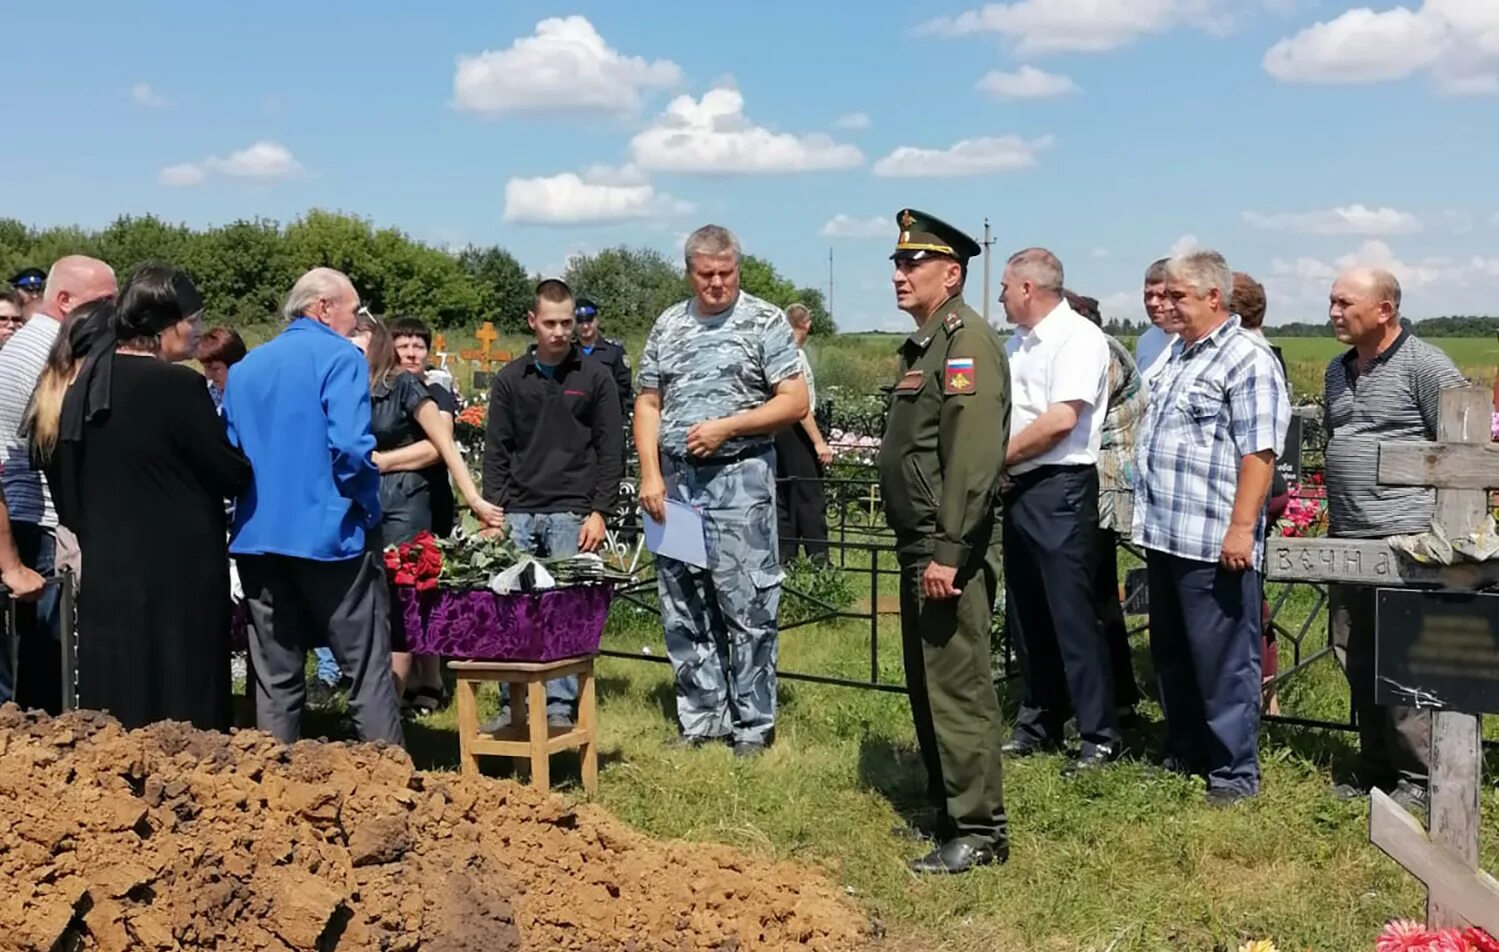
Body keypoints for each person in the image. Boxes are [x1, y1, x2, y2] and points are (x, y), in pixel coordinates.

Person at [45, 269, 251, 731]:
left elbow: (62, 468)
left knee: (120, 690)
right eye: (191, 320)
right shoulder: (176, 386)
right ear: (163, 325)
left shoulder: (86, 383)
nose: (197, 331)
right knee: (180, 688)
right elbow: (226, 469)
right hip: (178, 568)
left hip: (109, 562)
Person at [634, 224, 807, 757]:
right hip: (677, 484)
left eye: (726, 273)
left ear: (738, 267)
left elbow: (795, 401)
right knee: (684, 603)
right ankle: (701, 718)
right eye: (706, 274)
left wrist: (728, 427)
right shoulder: (669, 323)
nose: (717, 284)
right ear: (689, 272)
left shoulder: (764, 321)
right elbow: (647, 402)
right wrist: (650, 474)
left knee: (747, 603)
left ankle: (752, 726)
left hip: (740, 478)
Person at [877, 209, 1010, 875]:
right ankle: (949, 808)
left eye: (912, 263)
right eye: (896, 263)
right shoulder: (930, 344)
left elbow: (972, 456)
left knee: (955, 686)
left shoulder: (965, 343)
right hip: (923, 541)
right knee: (929, 683)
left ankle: (979, 831)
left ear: (950, 273)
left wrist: (950, 550)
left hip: (943, 543)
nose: (899, 273)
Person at [1133, 250, 1289, 806]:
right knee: (1173, 653)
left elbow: (1259, 453)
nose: (1165, 303)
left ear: (1214, 299)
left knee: (1224, 660)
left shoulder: (1246, 358)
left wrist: (1242, 528)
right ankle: (1185, 751)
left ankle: (1232, 772)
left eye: (1178, 296)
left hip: (1212, 538)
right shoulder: (1179, 354)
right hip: (1166, 534)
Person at [223, 267, 404, 746]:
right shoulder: (340, 358)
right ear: (324, 307)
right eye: (353, 309)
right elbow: (348, 447)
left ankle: (273, 791)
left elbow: (232, 451)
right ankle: (391, 787)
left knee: (275, 677)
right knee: (366, 671)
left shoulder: (244, 370)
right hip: (331, 536)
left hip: (259, 537)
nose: (356, 320)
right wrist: (366, 506)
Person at [1322, 267, 1465, 812]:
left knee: (1404, 658)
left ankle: (1420, 779)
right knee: (1354, 653)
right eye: (1332, 302)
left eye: (1345, 303)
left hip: (1406, 542)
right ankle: (1375, 762)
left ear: (1385, 309)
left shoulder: (1424, 364)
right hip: (1348, 536)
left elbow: (1460, 439)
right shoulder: (1338, 371)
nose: (1334, 312)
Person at [997, 250, 1120, 776]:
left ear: (1028, 288)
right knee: (1027, 612)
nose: (1000, 295)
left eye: (1004, 286)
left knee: (1072, 613)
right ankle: (1040, 715)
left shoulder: (1078, 338)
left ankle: (1099, 732)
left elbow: (1060, 420)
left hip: (1059, 486)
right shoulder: (1016, 343)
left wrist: (991, 461)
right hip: (1020, 485)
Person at [482, 279, 623, 729]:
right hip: (518, 512)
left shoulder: (595, 376)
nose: (561, 332)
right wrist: (492, 515)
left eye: (567, 323)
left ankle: (560, 709)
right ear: (532, 322)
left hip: (572, 512)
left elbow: (611, 448)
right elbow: (496, 450)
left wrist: (601, 511)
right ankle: (514, 704)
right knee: (512, 608)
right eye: (551, 323)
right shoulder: (510, 379)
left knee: (563, 608)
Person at [349, 313, 504, 714]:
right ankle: (377, 698)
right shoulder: (347, 388)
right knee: (372, 602)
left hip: (407, 501)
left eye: (357, 340)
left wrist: (474, 500)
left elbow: (444, 445)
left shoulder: (406, 386)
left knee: (402, 598)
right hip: (364, 504)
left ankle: (393, 702)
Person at [0, 255, 116, 713]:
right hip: (38, 520)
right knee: (45, 670)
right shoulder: (54, 353)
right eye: (104, 302)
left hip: (24, 515)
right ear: (65, 301)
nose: (114, 312)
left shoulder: (28, 344)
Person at [1066, 289, 1144, 722]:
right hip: (1093, 481)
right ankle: (1109, 696)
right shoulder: (1097, 347)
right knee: (1093, 593)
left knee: (1094, 595)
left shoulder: (1098, 350)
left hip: (1102, 483)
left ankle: (1114, 699)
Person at [774, 302, 833, 564]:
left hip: (778, 429)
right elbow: (801, 407)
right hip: (796, 430)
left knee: (784, 494)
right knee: (809, 494)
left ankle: (785, 557)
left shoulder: (779, 352)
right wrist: (819, 442)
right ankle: (818, 558)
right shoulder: (793, 356)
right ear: (806, 324)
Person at [574, 297, 633, 420]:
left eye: (589, 320)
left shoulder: (614, 352)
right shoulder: (567, 353)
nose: (585, 326)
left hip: (608, 417)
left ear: (597, 320)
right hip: (576, 421)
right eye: (580, 321)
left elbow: (623, 387)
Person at [1133, 259, 1174, 379]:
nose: (1153, 303)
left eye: (1162, 296)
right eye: (1148, 295)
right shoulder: (1145, 341)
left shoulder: (1194, 342)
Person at [196, 326, 248, 412]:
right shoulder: (208, 393)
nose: (208, 375)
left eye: (215, 369)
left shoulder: (249, 393)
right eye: (205, 368)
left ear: (234, 365)